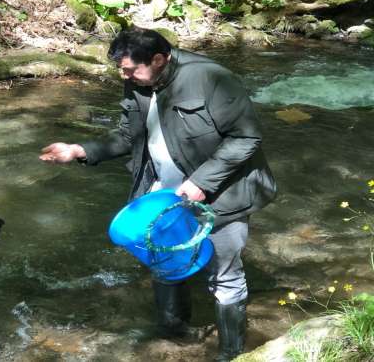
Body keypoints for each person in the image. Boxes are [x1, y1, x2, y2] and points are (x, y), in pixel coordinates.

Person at [39, 28, 276, 361]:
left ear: (159, 59)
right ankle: (172, 336)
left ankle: (232, 353)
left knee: (225, 275)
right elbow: (128, 135)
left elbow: (246, 138)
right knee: (165, 264)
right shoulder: (139, 80)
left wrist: (202, 181)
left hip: (221, 193)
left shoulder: (211, 78)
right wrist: (80, 149)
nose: (125, 77)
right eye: (123, 70)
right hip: (163, 195)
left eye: (130, 70)